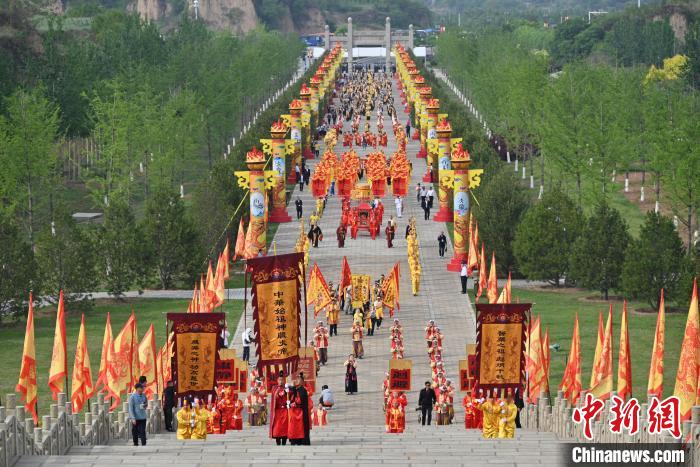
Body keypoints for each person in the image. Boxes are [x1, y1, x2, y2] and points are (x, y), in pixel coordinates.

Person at [288, 374, 311, 445]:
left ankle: (300, 440)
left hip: (300, 412)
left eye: (299, 380)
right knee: (293, 427)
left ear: (302, 382)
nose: (297, 381)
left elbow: (299, 401)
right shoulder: (295, 389)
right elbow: (291, 397)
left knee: (300, 428)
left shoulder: (303, 390)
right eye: (297, 379)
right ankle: (294, 440)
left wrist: (292, 404)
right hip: (293, 412)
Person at [269, 373, 288, 445]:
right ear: (277, 380)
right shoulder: (274, 388)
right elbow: (276, 396)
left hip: (285, 410)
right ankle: (278, 441)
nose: (281, 381)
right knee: (278, 428)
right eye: (280, 380)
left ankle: (284, 442)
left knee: (285, 427)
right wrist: (283, 392)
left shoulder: (287, 388)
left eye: (282, 380)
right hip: (277, 411)